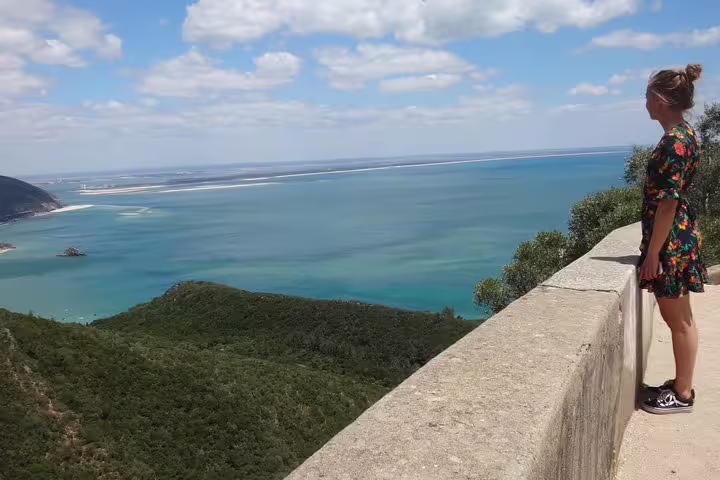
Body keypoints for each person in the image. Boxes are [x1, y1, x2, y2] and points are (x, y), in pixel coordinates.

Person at [638, 63, 708, 415]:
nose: (645, 102)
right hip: (678, 237)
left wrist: (653, 254)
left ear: (662, 99)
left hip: (671, 242)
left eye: (648, 95)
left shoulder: (674, 143)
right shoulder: (685, 135)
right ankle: (681, 386)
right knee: (682, 319)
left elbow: (668, 203)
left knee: (678, 320)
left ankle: (682, 395)